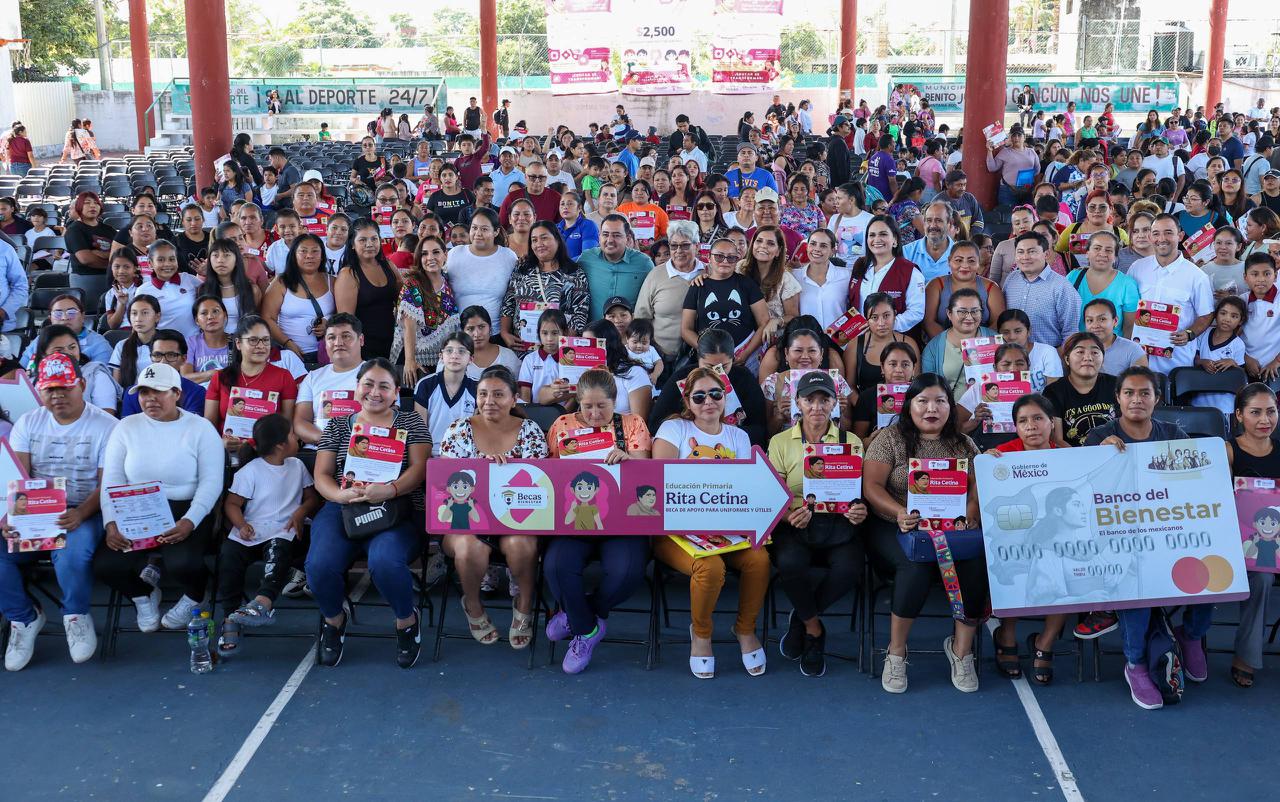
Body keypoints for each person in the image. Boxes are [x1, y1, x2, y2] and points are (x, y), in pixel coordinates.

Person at [1084, 366, 1206, 709]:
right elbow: (1087, 495)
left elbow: (1195, 482)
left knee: (1209, 567)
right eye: (1129, 393)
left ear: (1157, 398)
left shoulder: (1173, 435)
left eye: (1144, 393)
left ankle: (1191, 635)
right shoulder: (1099, 437)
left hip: (1167, 532)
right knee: (1136, 579)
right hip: (1119, 539)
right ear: (1118, 398)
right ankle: (1135, 663)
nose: (1136, 399)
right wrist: (1099, 457)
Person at [863, 374, 987, 693]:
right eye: (923, 401)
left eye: (940, 401)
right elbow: (871, 486)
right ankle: (896, 653)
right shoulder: (890, 438)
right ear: (909, 406)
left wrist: (971, 511)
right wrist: (899, 512)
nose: (932, 408)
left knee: (976, 563)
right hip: (895, 525)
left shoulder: (963, 443)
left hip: (952, 530)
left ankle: (961, 651)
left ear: (950, 407)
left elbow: (978, 485)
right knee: (914, 566)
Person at [308, 358, 431, 668]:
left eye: (384, 386)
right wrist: (340, 495)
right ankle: (334, 620)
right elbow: (322, 474)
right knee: (319, 565)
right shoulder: (337, 425)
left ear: (396, 392)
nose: (375, 392)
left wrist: (390, 489)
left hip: (397, 510)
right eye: (368, 384)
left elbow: (420, 469)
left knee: (385, 562)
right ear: (357, 387)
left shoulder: (411, 423)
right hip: (343, 507)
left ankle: (406, 620)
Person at [1, 354, 117, 670]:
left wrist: (81, 513)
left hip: (84, 509)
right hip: (34, 511)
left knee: (71, 554)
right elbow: (19, 479)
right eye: (50, 389)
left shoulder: (107, 426)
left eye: (65, 387)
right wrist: (10, 518)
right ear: (40, 390)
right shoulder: (28, 423)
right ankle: (23, 617)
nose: (57, 395)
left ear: (82, 385)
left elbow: (107, 484)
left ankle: (75, 615)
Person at [652, 367, 769, 679]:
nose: (708, 401)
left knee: (759, 560)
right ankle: (701, 634)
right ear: (687, 401)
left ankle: (745, 628)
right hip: (675, 531)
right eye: (699, 396)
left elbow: (744, 489)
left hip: (726, 528)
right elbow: (658, 482)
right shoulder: (673, 430)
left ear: (725, 397)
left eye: (715, 394)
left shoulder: (739, 437)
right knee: (710, 568)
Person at [94, 362, 224, 634]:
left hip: (185, 508)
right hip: (135, 508)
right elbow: (112, 480)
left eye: (159, 391)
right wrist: (111, 522)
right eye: (144, 392)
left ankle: (195, 595)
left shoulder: (201, 428)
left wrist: (190, 520)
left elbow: (211, 482)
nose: (150, 398)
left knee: (183, 564)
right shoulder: (126, 427)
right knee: (106, 565)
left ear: (177, 393)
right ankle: (143, 595)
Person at [541, 369, 652, 673]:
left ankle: (578, 614)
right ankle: (587, 629)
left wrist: (629, 460)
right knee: (556, 566)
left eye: (602, 405)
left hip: (622, 522)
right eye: (587, 406)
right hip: (575, 520)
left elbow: (646, 475)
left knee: (627, 572)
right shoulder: (562, 425)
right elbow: (550, 475)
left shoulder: (632, 424)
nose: (593, 413)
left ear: (615, 401)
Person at [766, 371, 868, 677]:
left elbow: (858, 494)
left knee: (850, 569)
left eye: (824, 399)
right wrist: (787, 515)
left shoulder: (851, 442)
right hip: (794, 523)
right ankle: (814, 630)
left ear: (834, 403)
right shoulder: (780, 441)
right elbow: (772, 493)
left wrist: (859, 509)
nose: (817, 407)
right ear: (798, 402)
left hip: (839, 524)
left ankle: (802, 617)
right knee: (789, 563)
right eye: (810, 399)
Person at [438, 366, 545, 650]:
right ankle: (473, 605)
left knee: (521, 545)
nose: (489, 401)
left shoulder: (530, 431)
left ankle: (524, 604)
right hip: (466, 520)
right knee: (469, 547)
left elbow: (540, 490)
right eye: (483, 394)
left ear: (514, 398)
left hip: (517, 520)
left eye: (498, 394)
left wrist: (508, 475)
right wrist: (480, 473)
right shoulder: (458, 430)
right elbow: (444, 488)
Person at [215, 414, 321, 655]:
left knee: (278, 550)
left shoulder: (297, 466)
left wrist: (300, 512)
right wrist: (241, 524)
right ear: (281, 445)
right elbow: (232, 504)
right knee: (228, 557)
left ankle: (262, 602)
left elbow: (312, 498)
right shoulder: (250, 471)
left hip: (284, 530)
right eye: (293, 435)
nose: (297, 439)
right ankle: (231, 617)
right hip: (252, 530)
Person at [1227, 383, 1280, 687]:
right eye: (1256, 412)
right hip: (1237, 542)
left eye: (1271, 411)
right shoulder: (1227, 451)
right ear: (1239, 415)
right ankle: (1246, 657)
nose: (1265, 420)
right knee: (1261, 577)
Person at [1128, 214, 1215, 373]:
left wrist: (1189, 334)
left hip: (1176, 362)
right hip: (1138, 357)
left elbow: (1206, 314)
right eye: (1156, 233)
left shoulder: (1197, 276)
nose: (1162, 238)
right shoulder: (1137, 268)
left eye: (1168, 232)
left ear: (1180, 236)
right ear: (1150, 237)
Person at [204, 315, 299, 457]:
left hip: (267, 455)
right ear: (238, 343)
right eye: (253, 340)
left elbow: (287, 427)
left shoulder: (284, 377)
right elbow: (208, 426)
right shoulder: (220, 377)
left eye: (265, 340)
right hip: (226, 455)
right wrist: (220, 443)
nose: (261, 346)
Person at [499, 222, 591, 350]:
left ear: (557, 239)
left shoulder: (574, 273)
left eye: (544, 238)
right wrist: (504, 333)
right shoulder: (522, 268)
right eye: (534, 240)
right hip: (522, 347)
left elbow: (580, 313)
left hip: (559, 349)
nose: (539, 244)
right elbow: (508, 303)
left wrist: (560, 346)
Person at [680, 236, 770, 364]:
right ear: (709, 257)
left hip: (746, 356)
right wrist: (707, 351)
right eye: (719, 256)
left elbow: (764, 321)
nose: (725, 261)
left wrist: (745, 353)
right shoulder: (698, 286)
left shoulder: (747, 284)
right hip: (708, 359)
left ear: (737, 259)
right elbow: (686, 329)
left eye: (731, 257)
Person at [1000, 231, 1081, 348]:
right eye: (1020, 252)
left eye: (1032, 251)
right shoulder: (1011, 279)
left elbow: (1071, 333)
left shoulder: (1062, 287)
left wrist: (1057, 356)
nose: (1025, 257)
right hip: (1012, 354)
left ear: (1046, 254)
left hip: (1049, 356)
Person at [846, 215, 926, 334]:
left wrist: (882, 325)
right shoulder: (860, 265)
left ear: (895, 240)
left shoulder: (910, 272)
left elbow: (916, 312)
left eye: (883, 234)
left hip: (894, 339)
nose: (877, 239)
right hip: (861, 338)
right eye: (872, 235)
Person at [261, 234, 334, 363]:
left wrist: (329, 322)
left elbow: (344, 313)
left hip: (327, 354)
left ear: (322, 255)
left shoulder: (333, 281)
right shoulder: (281, 282)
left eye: (315, 251)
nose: (309, 256)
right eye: (303, 251)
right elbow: (267, 317)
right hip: (290, 355)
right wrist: (287, 343)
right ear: (294, 255)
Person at [335, 218, 401, 360]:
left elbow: (403, 301)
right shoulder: (348, 274)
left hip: (393, 343)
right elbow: (346, 322)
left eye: (374, 239)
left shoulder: (388, 265)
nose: (369, 244)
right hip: (365, 348)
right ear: (352, 244)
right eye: (363, 240)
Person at [1042, 332, 1117, 446]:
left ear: (1103, 359)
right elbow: (1057, 440)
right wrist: (1080, 456)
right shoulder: (1053, 392)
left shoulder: (1116, 385)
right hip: (1071, 454)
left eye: (1095, 352)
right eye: (1080, 352)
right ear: (1067, 359)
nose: (1088, 358)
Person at [922, 241, 1005, 339]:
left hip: (983, 344)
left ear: (979, 262)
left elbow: (998, 322)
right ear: (949, 261)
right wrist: (949, 344)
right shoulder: (935, 285)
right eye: (958, 260)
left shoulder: (991, 288)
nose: (965, 266)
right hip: (942, 342)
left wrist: (976, 344)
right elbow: (928, 322)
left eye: (971, 261)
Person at [922, 289, 994, 396]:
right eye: (962, 312)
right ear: (949, 313)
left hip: (988, 405)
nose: (969, 317)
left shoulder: (995, 340)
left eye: (975, 311)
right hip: (951, 406)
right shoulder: (933, 347)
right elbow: (928, 386)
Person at [1065, 230, 1140, 331]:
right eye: (1097, 248)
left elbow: (1129, 327)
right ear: (1087, 253)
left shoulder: (1127, 284)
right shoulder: (1073, 277)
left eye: (1109, 250)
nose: (1103, 254)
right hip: (1076, 341)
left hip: (1113, 342)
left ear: (1115, 257)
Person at [1084, 298, 1147, 375]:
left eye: (1102, 319)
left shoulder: (1133, 350)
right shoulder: (1077, 350)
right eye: (1090, 320)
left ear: (1115, 321)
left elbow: (1140, 381)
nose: (1095, 325)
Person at [986, 125, 1040, 206]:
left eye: (1019, 135)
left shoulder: (1031, 152)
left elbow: (1037, 170)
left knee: (1027, 213)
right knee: (1007, 213)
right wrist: (989, 151)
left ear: (1024, 137)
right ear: (1011, 138)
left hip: (1027, 190)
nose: (1016, 138)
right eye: (1014, 135)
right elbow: (992, 168)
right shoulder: (1005, 152)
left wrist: (1029, 181)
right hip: (1008, 191)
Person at [66, 192, 116, 274]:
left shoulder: (109, 229)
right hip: (86, 277)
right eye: (87, 203)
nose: (93, 205)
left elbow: (122, 253)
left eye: (96, 203)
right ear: (78, 206)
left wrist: (103, 254)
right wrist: (114, 264)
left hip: (112, 276)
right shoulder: (74, 229)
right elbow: (86, 259)